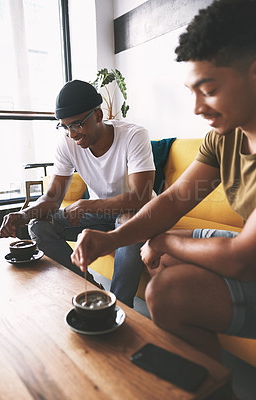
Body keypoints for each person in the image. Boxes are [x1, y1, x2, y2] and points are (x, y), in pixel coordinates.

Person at [70, 0, 256, 366]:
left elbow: (240, 260)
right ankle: (211, 383)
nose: (197, 108)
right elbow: (172, 202)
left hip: (246, 256)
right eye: (192, 91)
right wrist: (110, 238)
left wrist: (164, 239)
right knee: (162, 257)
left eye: (209, 89)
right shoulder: (226, 138)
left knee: (168, 289)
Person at [0, 80, 155, 307]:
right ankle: (94, 293)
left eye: (78, 125)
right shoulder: (67, 144)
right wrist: (24, 214)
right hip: (101, 216)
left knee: (127, 222)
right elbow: (52, 199)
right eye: (65, 126)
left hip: (137, 213)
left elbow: (140, 197)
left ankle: (120, 306)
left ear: (98, 116)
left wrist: (87, 205)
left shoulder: (133, 136)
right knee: (38, 225)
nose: (72, 134)